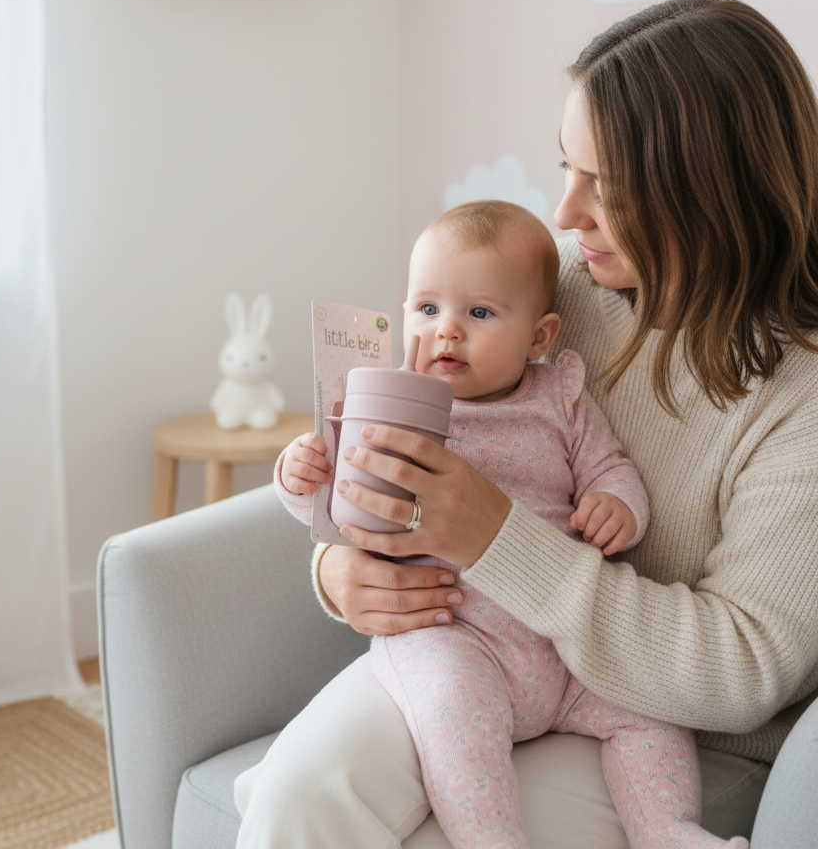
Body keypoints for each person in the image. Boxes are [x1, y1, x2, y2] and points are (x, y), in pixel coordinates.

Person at [234, 0, 818, 849]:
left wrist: (497, 538)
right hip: (469, 652)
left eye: (606, 188)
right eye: (567, 169)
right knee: (296, 800)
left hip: (652, 715)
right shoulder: (565, 294)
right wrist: (339, 568)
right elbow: (401, 445)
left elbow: (745, 669)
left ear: (708, 191)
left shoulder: (797, 398)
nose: (566, 213)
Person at [274, 201, 745, 849]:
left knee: (649, 711)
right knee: (453, 719)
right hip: (453, 632)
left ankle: (668, 830)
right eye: (427, 308)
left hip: (567, 647)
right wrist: (301, 478)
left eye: (480, 313)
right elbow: (345, 504)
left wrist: (618, 506)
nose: (447, 332)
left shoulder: (560, 396)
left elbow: (609, 466)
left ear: (540, 337)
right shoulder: (395, 405)